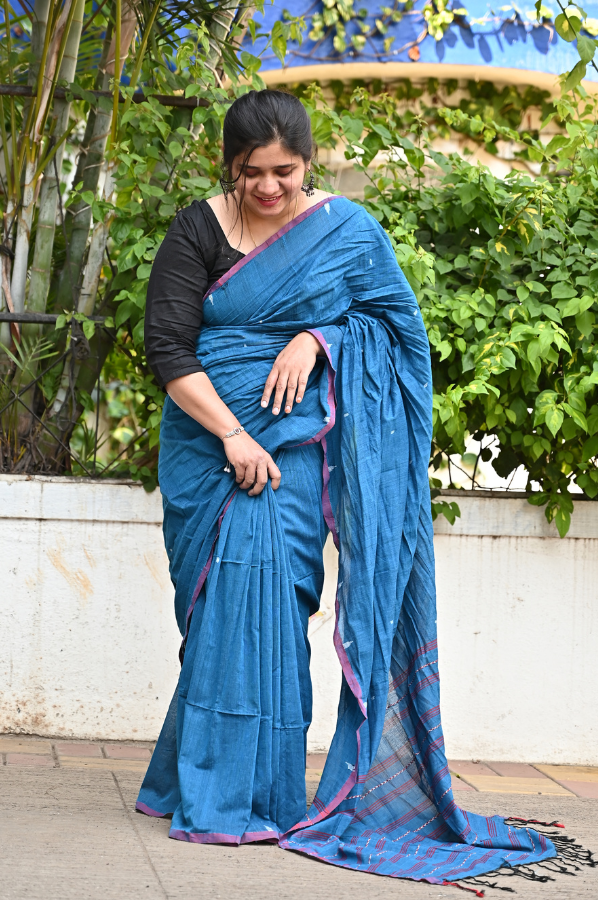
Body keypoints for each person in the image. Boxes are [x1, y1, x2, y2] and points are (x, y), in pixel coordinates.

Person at [136, 89, 556, 886]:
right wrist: (231, 434)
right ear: (230, 166)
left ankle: (245, 797)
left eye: (284, 173)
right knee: (224, 611)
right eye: (251, 173)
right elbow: (169, 349)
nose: (268, 189)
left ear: (309, 163)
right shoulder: (196, 229)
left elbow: (396, 334)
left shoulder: (345, 233)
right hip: (206, 445)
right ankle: (202, 782)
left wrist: (318, 336)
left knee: (262, 599)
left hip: (294, 450)